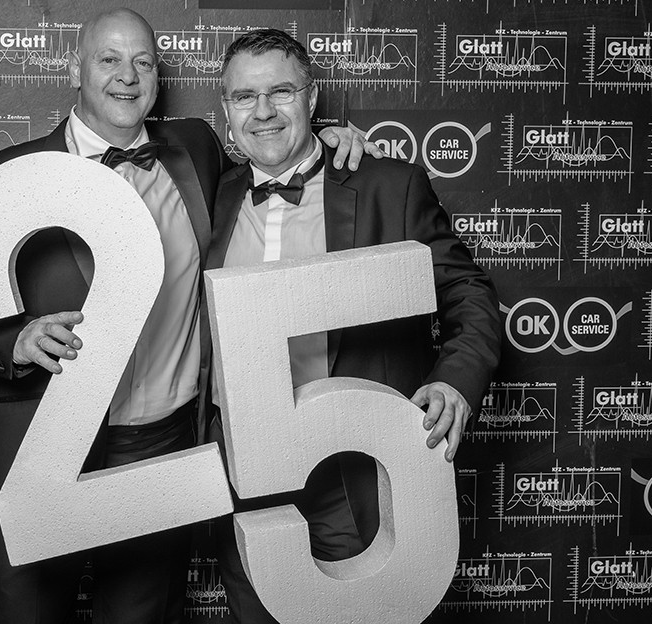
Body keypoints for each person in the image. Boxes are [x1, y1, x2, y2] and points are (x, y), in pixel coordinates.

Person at [0, 9, 378, 624]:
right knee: (28, 612)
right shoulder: (6, 175)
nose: (127, 76)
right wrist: (14, 339)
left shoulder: (194, 149)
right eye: (109, 59)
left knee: (140, 613)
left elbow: (275, 148)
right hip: (49, 446)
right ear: (75, 69)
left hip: (162, 446)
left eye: (142, 61)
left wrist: (331, 141)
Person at [206, 29, 502, 623]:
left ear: (312, 99)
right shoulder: (213, 194)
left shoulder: (387, 186)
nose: (263, 112)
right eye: (244, 97)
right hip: (241, 470)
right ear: (226, 111)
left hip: (351, 466)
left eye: (281, 92)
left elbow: (469, 294)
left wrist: (455, 381)